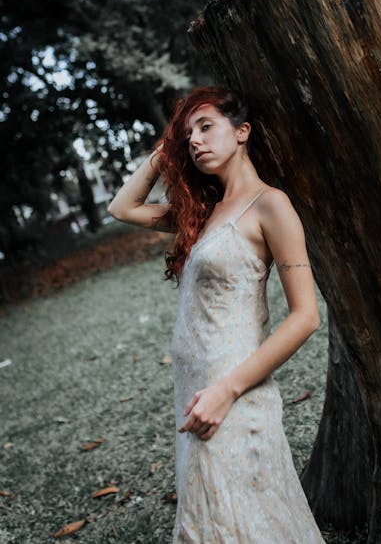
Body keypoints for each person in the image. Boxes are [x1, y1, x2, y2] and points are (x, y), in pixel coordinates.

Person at [107, 85, 325, 543]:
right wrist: (165, 150)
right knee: (212, 522)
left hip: (232, 393)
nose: (196, 141)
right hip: (191, 391)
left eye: (206, 127)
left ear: (242, 132)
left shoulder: (271, 205)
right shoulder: (200, 212)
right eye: (189, 136)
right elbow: (121, 208)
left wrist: (226, 391)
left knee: (252, 522)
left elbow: (305, 317)